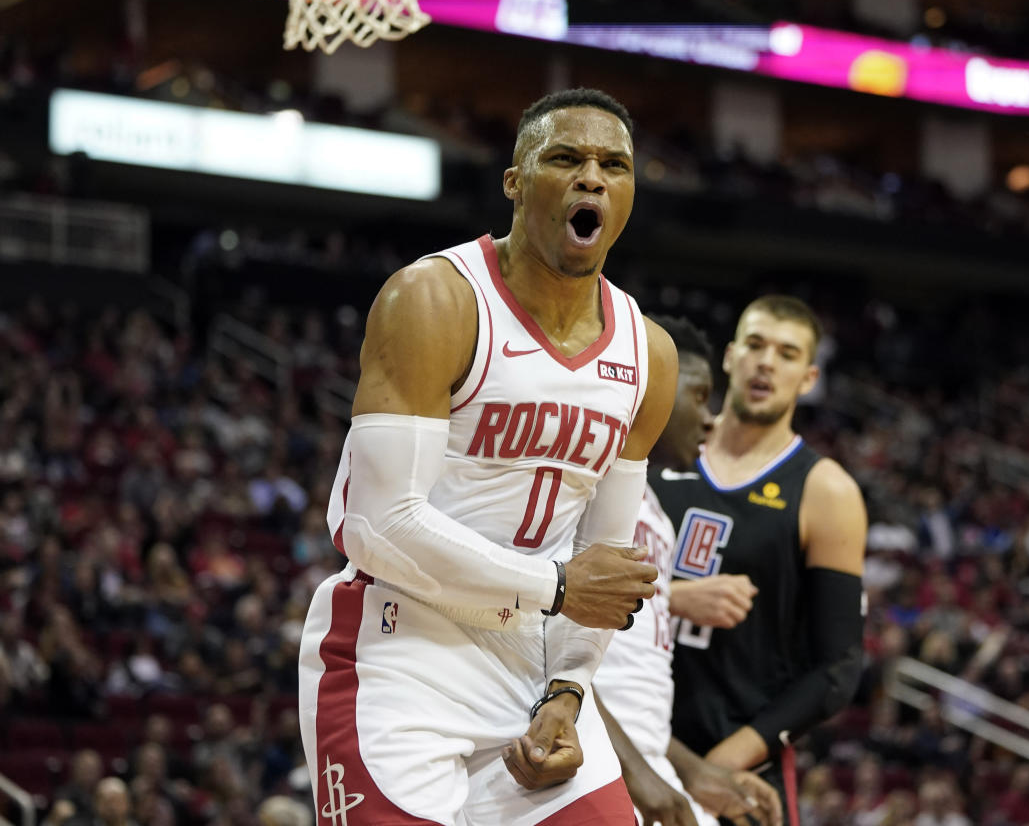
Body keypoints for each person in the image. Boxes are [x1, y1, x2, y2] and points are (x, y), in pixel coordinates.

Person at [298, 88, 678, 826]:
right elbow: (379, 524)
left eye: (613, 165)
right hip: (400, 649)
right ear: (514, 182)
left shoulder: (648, 354)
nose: (592, 178)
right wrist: (557, 585)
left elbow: (597, 567)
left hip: (531, 662)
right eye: (565, 158)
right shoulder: (434, 299)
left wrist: (567, 691)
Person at [653, 295, 867, 822]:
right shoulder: (654, 448)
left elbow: (837, 668)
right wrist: (674, 598)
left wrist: (721, 762)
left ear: (809, 377)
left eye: (787, 353)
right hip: (625, 732)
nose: (767, 362)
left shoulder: (827, 491)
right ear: (728, 357)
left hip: (734, 761)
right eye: (755, 344)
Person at [592, 315, 782, 826]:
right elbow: (542, 655)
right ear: (649, 391)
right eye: (699, 397)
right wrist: (636, 775)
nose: (711, 419)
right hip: (589, 764)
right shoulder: (587, 484)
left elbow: (636, 687)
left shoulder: (652, 510)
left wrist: (695, 773)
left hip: (640, 759)